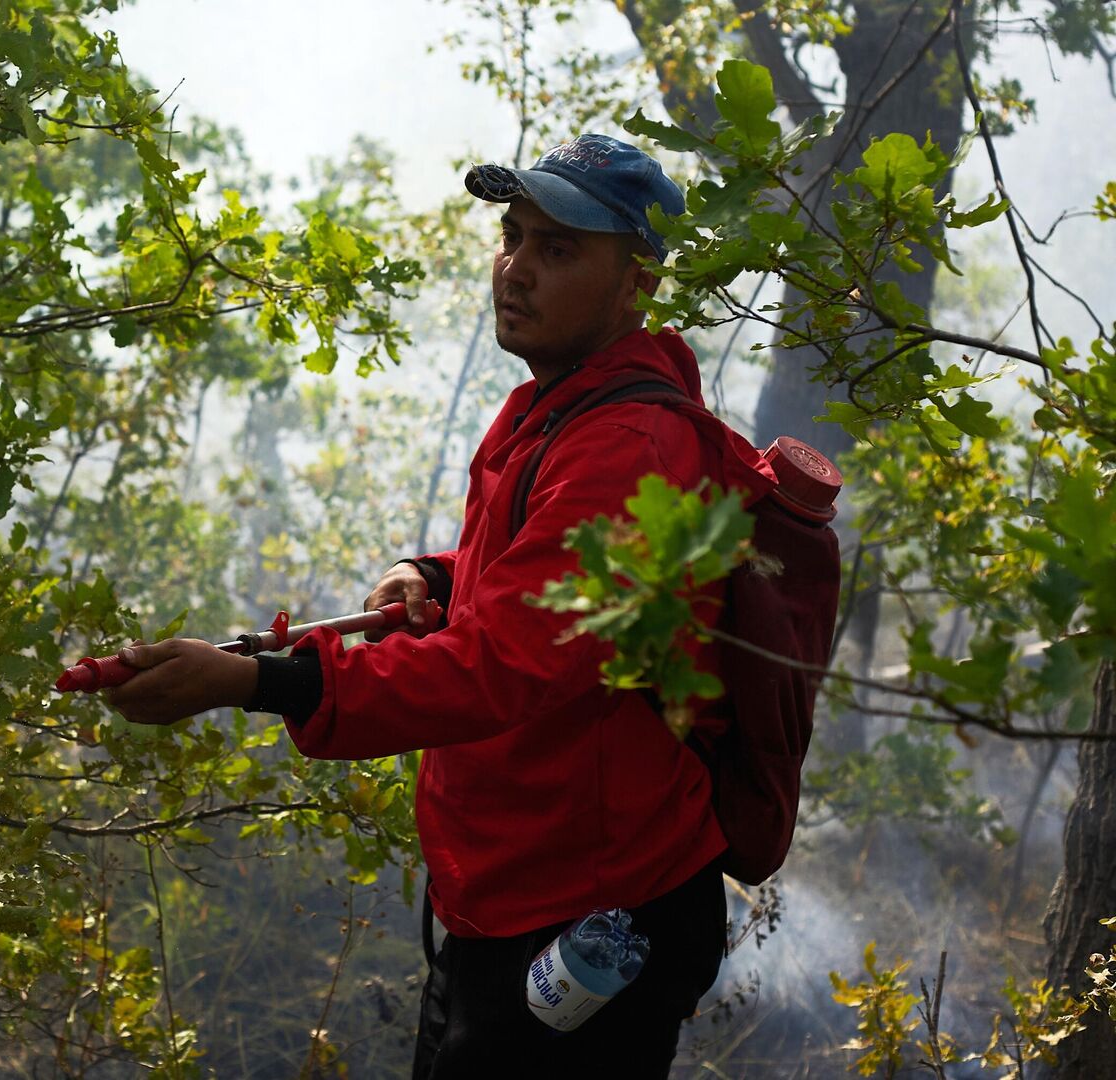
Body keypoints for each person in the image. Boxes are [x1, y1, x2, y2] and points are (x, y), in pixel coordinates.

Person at [104, 134, 778, 1076]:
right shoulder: (557, 408)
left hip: (592, 910)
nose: (516, 268)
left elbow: (505, 664)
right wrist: (437, 576)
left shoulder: (627, 443)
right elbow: (538, 579)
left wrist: (252, 680)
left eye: (558, 250)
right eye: (513, 236)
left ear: (637, 285)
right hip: (517, 888)